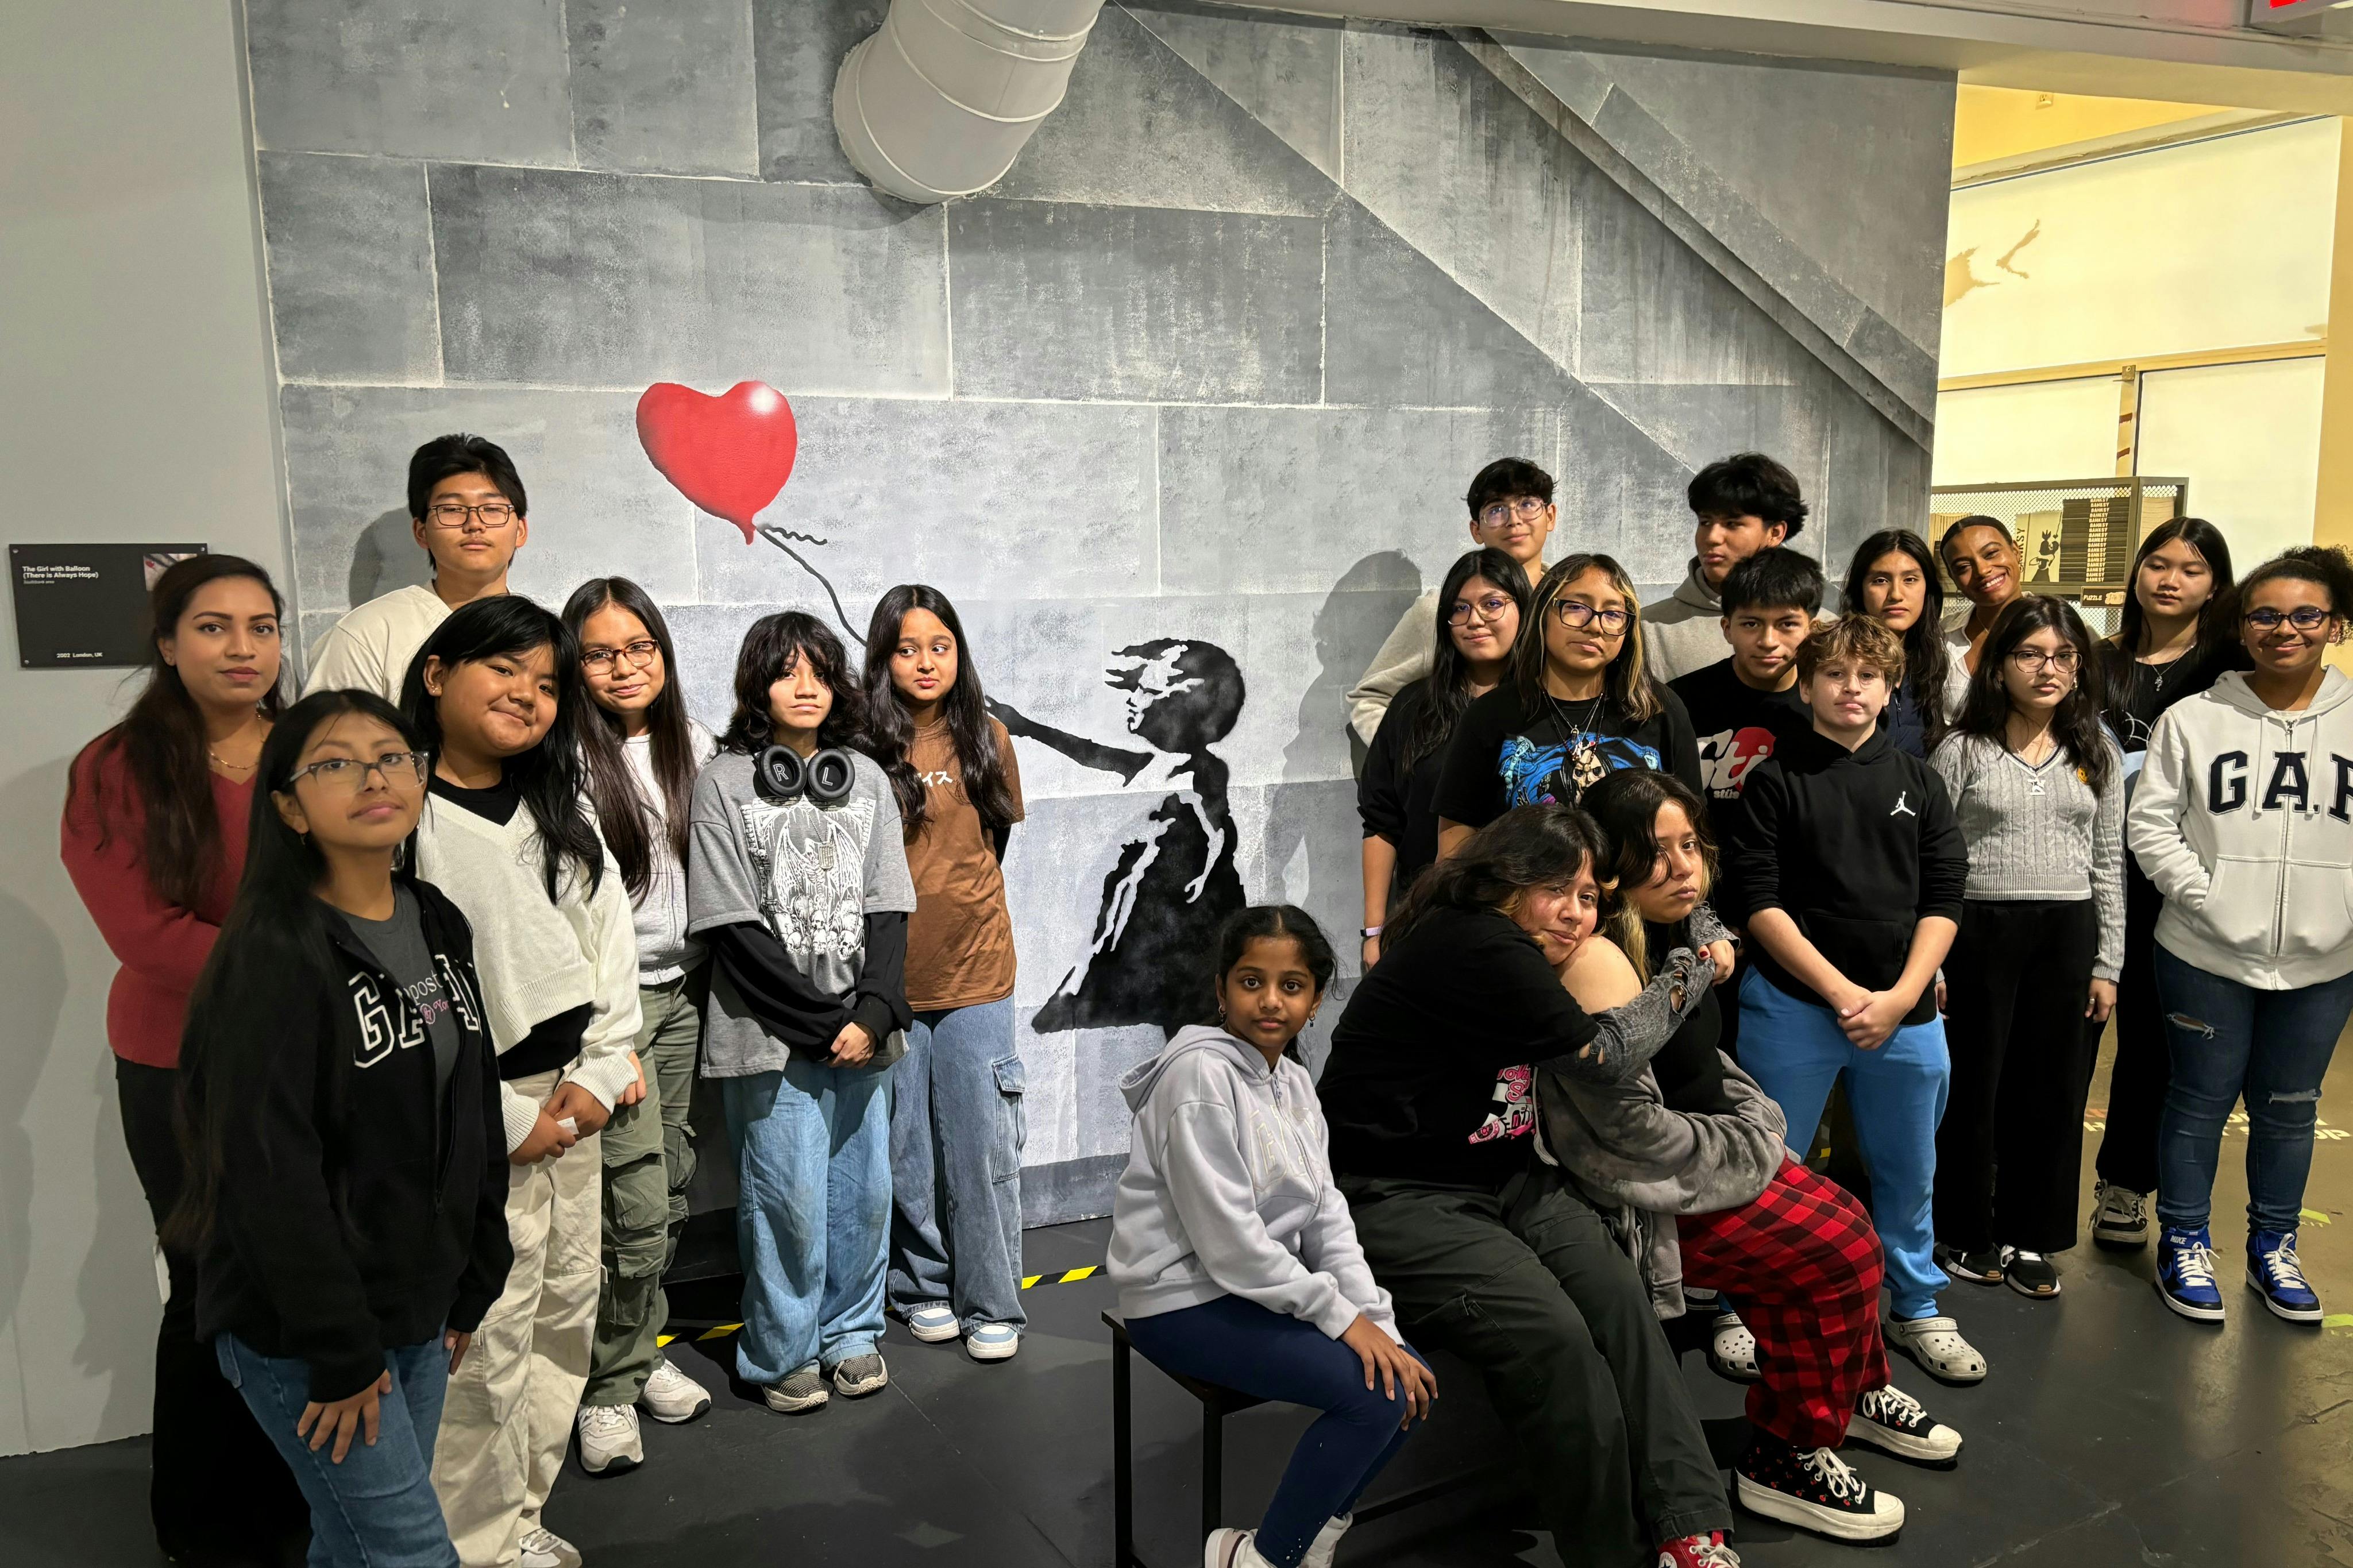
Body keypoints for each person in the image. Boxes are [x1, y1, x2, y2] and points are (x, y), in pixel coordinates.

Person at [1317, 805, 1738, 1568]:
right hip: (1399, 1194)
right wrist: (1694, 968)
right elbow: (1608, 1054)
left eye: (1589, 899)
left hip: (1508, 1177)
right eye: (1560, 890)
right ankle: (1612, 1555)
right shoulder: (1478, 937)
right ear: (1506, 880)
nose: (1578, 915)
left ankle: (1691, 1530)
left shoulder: (1512, 946)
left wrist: (1697, 924)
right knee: (1559, 1342)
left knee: (1622, 1306)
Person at [1548, 770, 1961, 1544]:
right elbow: (1624, 1136)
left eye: (1688, 846)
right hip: (1653, 1194)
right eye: (1655, 853)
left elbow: (1704, 1062)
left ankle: (1849, 1394)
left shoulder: (1676, 933)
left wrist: (1754, 1124)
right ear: (1610, 868)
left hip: (1711, 1155)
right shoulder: (1604, 957)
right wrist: (1750, 1148)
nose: (1682, 867)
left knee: (1846, 1228)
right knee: (1839, 1252)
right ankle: (1785, 1453)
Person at [171, 690, 510, 1568]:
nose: (373, 775)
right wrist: (341, 1346)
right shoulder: (274, 950)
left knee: (354, 1543)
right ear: (288, 803)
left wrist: (478, 1265)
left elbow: (469, 1099)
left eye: (393, 756)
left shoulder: (435, 917)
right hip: (304, 1325)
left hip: (416, 1301)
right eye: (335, 761)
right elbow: (265, 1171)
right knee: (409, 1553)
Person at [60, 555, 308, 1565]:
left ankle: (296, 1501)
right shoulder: (117, 765)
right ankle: (205, 1526)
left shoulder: (316, 747)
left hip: (315, 1061)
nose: (243, 648)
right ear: (167, 643)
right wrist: (309, 970)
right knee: (210, 1283)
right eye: (214, 627)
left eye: (262, 626)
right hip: (183, 1064)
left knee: (303, 1279)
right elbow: (146, 934)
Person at [402, 597, 642, 1568]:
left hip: (572, 1103)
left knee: (559, 1319)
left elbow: (609, 949)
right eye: (504, 670)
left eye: (547, 683)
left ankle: (522, 1521)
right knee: (481, 1347)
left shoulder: (560, 806)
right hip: (473, 1115)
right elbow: (397, 989)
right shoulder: (402, 815)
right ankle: (465, 1540)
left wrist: (596, 1076)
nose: (528, 696)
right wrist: (504, 1120)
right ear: (435, 675)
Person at [1109, 907, 1436, 1568]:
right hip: (1178, 1298)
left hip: (1245, 1289)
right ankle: (1261, 1562)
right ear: (1222, 989)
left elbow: (1326, 1216)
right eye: (1251, 981)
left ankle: (1306, 1544)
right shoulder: (1197, 1076)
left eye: (1292, 985)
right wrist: (1339, 1319)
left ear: (1315, 1000)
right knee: (1374, 1398)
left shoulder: (1292, 1083)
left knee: (1411, 1380)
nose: (1270, 1000)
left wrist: (1376, 1319)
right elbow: (1228, 1243)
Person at [1726, 616, 1985, 1384]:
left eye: (1867, 677)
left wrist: (1903, 995)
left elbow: (1945, 896)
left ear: (1890, 687)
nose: (1851, 689)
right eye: (1835, 674)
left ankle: (1916, 1306)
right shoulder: (1773, 782)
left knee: (1909, 1169)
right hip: (1794, 1008)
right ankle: (1750, 1303)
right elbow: (1759, 902)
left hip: (1904, 1014)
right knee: (1769, 1166)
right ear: (1806, 685)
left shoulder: (1919, 781)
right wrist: (1841, 993)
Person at [688, 613, 917, 1411]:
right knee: (783, 1198)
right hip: (770, 1036)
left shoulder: (867, 777)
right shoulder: (721, 782)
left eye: (819, 669)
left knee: (862, 1194)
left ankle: (852, 1333)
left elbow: (891, 906)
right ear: (758, 683)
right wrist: (827, 1027)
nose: (805, 685)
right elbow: (727, 923)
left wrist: (876, 1013)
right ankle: (779, 1351)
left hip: (865, 1035)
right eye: (786, 671)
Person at [2127, 545, 2353, 1325]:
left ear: (2334, 623)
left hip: (2327, 958)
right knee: (2197, 1097)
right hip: (2204, 950)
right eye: (2265, 614)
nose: (2283, 629)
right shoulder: (2194, 718)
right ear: (2242, 623)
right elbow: (2150, 825)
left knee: (2291, 1106)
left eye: (2304, 614)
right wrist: (2207, 898)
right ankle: (2185, 1239)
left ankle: (2274, 1248)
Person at [560, 578, 718, 1474]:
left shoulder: (693, 747)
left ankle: (637, 1349)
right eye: (602, 651)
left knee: (676, 1176)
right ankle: (606, 1389)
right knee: (632, 1199)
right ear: (577, 662)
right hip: (611, 1011)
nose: (625, 666)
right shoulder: (566, 759)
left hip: (685, 995)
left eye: (640, 647)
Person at [1928, 597, 2123, 1300]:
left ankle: (2030, 1234)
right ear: (1999, 665)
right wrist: (1935, 957)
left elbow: (2107, 861)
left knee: (2050, 1092)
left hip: (2065, 937)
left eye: (2064, 656)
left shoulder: (2095, 750)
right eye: (2030, 654)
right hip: (1976, 933)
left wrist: (2109, 964)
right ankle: (1962, 1229)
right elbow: (1935, 860)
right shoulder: (1961, 750)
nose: (2049, 669)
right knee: (1972, 1088)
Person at [860, 585, 1030, 1364]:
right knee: (907, 1148)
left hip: (977, 974)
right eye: (906, 647)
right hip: (892, 979)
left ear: (958, 653)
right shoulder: (863, 748)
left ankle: (994, 1300)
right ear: (883, 659)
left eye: (939, 645)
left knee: (982, 1143)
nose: (925, 662)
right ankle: (923, 1283)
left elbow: (991, 843)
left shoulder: (987, 736)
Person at [2088, 519, 2237, 1250]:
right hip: (2084, 872)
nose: (2170, 579)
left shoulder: (2228, 670)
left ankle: (2125, 1185)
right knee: (2067, 1037)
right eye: (2157, 563)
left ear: (2216, 585)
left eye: (2192, 568)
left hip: (2171, 877)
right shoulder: (2093, 659)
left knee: (2150, 1043)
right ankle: (2023, 1182)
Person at [993, 638, 1245, 1035]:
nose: (1133, 699)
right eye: (1135, 688)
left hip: (1180, 926)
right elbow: (1086, 751)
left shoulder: (1202, 772)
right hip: (1144, 911)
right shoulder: (1149, 764)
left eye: (1146, 690)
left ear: (1181, 704)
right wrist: (1023, 726)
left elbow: (1218, 830)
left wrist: (1205, 871)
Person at [1433, 553, 1701, 854]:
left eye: (1613, 614)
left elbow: (1695, 829)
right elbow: (1456, 838)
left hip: (1639, 898)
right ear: (1543, 612)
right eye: (1576, 607)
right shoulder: (1490, 715)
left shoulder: (1660, 709)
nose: (1595, 626)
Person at [1357, 547, 1530, 969]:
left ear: (1524, 611)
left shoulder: (1545, 706)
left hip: (1530, 923)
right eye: (1460, 608)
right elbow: (1382, 822)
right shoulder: (1412, 706)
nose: (1474, 620)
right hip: (1428, 920)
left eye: (1492, 604)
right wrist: (1375, 931)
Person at [1345, 457, 1557, 745]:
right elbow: (1372, 697)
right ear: (1476, 530)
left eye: (1528, 505)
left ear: (1551, 516)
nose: (1514, 520)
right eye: (1496, 510)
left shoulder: (1572, 605)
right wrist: (1420, 765)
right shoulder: (1440, 610)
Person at [304, 434, 529, 701]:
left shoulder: (544, 637)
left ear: (521, 531)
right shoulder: (366, 635)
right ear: (421, 532)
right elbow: (329, 739)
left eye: (492, 508)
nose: (474, 524)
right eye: (452, 509)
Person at [1644, 453, 1811, 684]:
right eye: (1705, 522)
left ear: (1775, 533)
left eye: (1732, 524)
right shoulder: (1648, 629)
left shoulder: (1824, 627)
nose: (1712, 537)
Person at [1841, 529, 1965, 759]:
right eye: (1880, 580)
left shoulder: (1936, 661)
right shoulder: (1836, 662)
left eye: (1910, 580)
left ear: (1928, 588)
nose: (1896, 594)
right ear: (1860, 589)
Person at [1937, 516, 2023, 678]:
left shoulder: (2062, 629)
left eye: (1991, 554)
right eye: (1963, 567)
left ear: (2015, 551)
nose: (1982, 570)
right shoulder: (1942, 637)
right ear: (1953, 577)